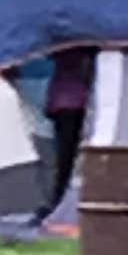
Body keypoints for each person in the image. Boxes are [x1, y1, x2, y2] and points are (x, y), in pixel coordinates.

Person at [39, 44, 95, 221]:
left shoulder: (61, 45)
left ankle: (58, 199)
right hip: (77, 104)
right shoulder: (87, 50)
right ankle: (66, 200)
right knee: (72, 158)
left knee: (64, 157)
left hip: (60, 103)